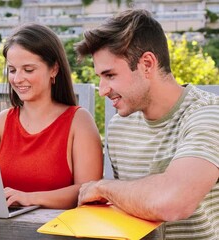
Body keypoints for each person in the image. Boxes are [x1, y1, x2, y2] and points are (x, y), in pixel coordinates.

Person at [75, 9, 219, 239]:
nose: (102, 90)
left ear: (147, 64)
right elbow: (130, 206)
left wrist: (103, 187)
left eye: (110, 75)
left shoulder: (208, 115)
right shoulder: (119, 127)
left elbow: (173, 202)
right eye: (99, 78)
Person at [0, 23, 103, 209]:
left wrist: (30, 198)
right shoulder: (2, 121)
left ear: (54, 69)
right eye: (12, 70)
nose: (17, 78)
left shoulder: (79, 121)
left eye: (28, 70)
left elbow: (89, 190)